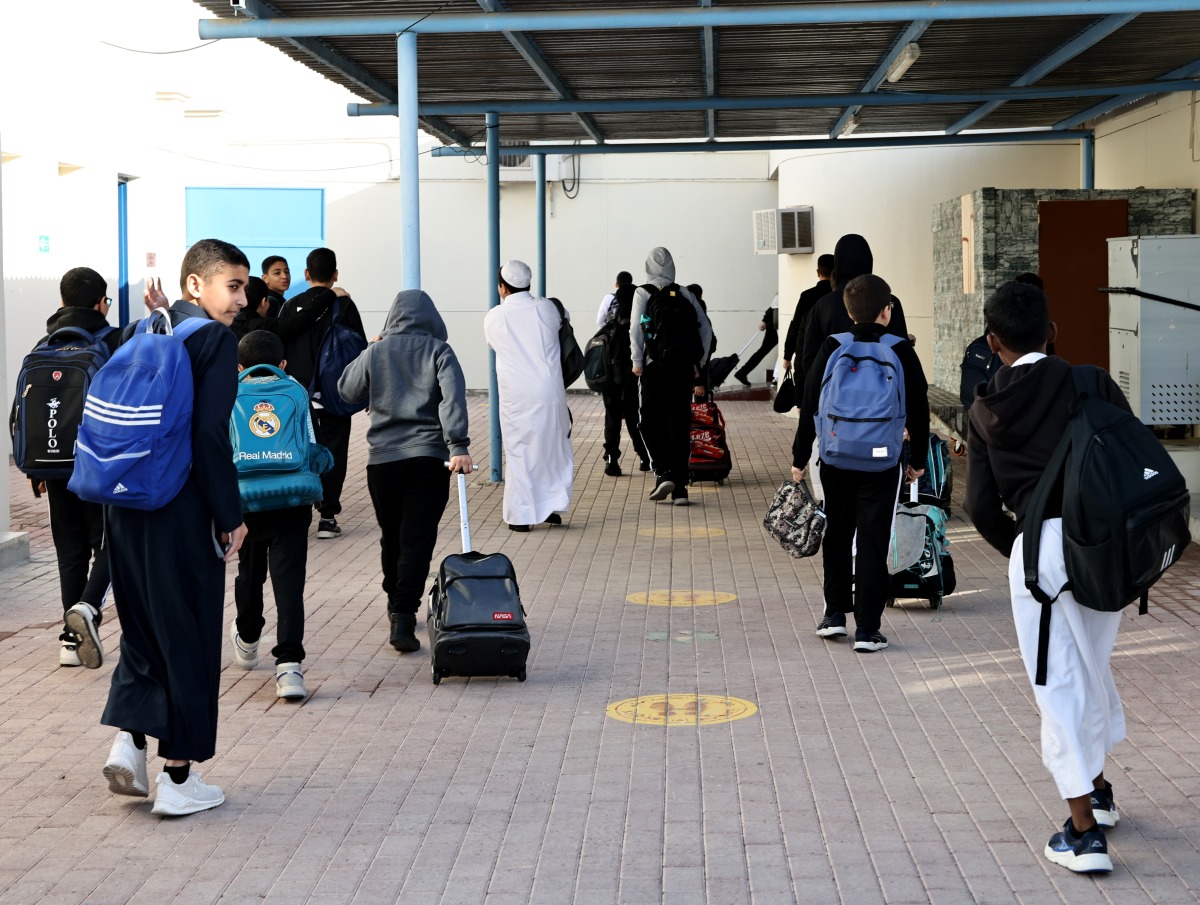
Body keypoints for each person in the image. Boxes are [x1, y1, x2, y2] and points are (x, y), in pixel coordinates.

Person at [964, 280, 1129, 874]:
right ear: (1051, 331)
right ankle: (1098, 790)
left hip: (1041, 552)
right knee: (1091, 664)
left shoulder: (985, 409)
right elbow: (1128, 455)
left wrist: (1023, 548)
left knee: (1058, 682)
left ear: (993, 343)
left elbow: (979, 506)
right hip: (1103, 548)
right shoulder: (1091, 381)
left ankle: (1084, 833)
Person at [100, 238, 248, 817]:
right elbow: (209, 436)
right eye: (232, 286)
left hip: (124, 504)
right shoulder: (214, 341)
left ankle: (129, 743)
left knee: (142, 627)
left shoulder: (144, 330)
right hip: (179, 511)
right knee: (188, 634)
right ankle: (179, 779)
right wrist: (231, 515)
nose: (242, 299)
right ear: (195, 285)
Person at [792, 273, 928, 652]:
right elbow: (919, 407)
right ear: (887, 311)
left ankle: (834, 616)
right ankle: (868, 629)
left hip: (835, 456)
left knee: (837, 534)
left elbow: (810, 402)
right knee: (873, 540)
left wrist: (800, 457)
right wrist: (917, 460)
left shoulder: (833, 346)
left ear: (849, 312)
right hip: (882, 461)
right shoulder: (901, 349)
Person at [338, 289, 473, 651]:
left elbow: (346, 389)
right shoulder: (440, 351)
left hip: (382, 461)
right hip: (428, 458)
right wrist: (458, 445)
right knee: (417, 538)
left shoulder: (377, 351)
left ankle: (395, 602)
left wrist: (371, 349)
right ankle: (403, 613)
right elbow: (452, 400)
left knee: (392, 536)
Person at [11, 267, 122, 668]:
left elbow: (24, 411)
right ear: (101, 303)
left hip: (53, 466)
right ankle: (87, 609)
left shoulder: (44, 343)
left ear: (61, 301)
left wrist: (33, 468)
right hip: (99, 466)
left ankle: (70, 641)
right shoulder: (114, 342)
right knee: (110, 545)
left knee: (69, 551)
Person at [229, 330, 317, 700]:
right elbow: (311, 445)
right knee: (289, 583)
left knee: (249, 573)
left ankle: (249, 637)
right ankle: (289, 667)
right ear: (282, 364)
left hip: (246, 500)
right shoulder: (295, 390)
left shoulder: (229, 392)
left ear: (238, 366)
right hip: (292, 499)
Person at [277, 247, 366, 540]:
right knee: (334, 455)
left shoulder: (290, 306)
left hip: (299, 397)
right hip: (334, 395)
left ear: (306, 274)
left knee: (300, 452)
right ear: (335, 275)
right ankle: (327, 517)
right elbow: (360, 352)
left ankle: (300, 512)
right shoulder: (344, 305)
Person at [483, 260, 574, 532]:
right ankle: (550, 507)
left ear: (502, 287)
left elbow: (493, 344)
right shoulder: (547, 308)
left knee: (520, 451)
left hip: (516, 395)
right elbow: (564, 319)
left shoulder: (495, 317)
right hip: (549, 391)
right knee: (551, 449)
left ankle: (522, 515)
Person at [631, 247, 712, 507]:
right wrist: (698, 364)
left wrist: (637, 361)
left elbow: (636, 329)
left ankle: (663, 472)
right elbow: (706, 330)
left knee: (649, 421)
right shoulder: (685, 293)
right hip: (683, 368)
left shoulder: (643, 292)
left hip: (655, 366)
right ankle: (680, 488)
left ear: (648, 267)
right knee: (679, 423)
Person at [799, 235, 909, 380]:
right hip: (883, 389)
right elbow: (903, 355)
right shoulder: (888, 301)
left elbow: (809, 359)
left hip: (835, 389)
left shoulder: (822, 305)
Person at [595, 270, 648, 476]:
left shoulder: (610, 323)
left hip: (611, 376)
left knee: (612, 418)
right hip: (634, 376)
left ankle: (611, 461)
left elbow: (599, 325)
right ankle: (644, 457)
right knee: (635, 417)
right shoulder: (639, 321)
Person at [782, 252, 834, 374]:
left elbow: (795, 326)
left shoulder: (807, 296)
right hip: (832, 356)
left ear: (818, 272)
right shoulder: (841, 296)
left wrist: (787, 356)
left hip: (806, 355)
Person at [734, 292, 779, 386]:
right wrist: (764, 320)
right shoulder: (782, 292)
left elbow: (772, 308)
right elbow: (773, 307)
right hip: (775, 325)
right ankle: (743, 372)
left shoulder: (780, 292)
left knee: (762, 351)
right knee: (764, 351)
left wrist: (765, 320)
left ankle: (743, 372)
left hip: (773, 324)